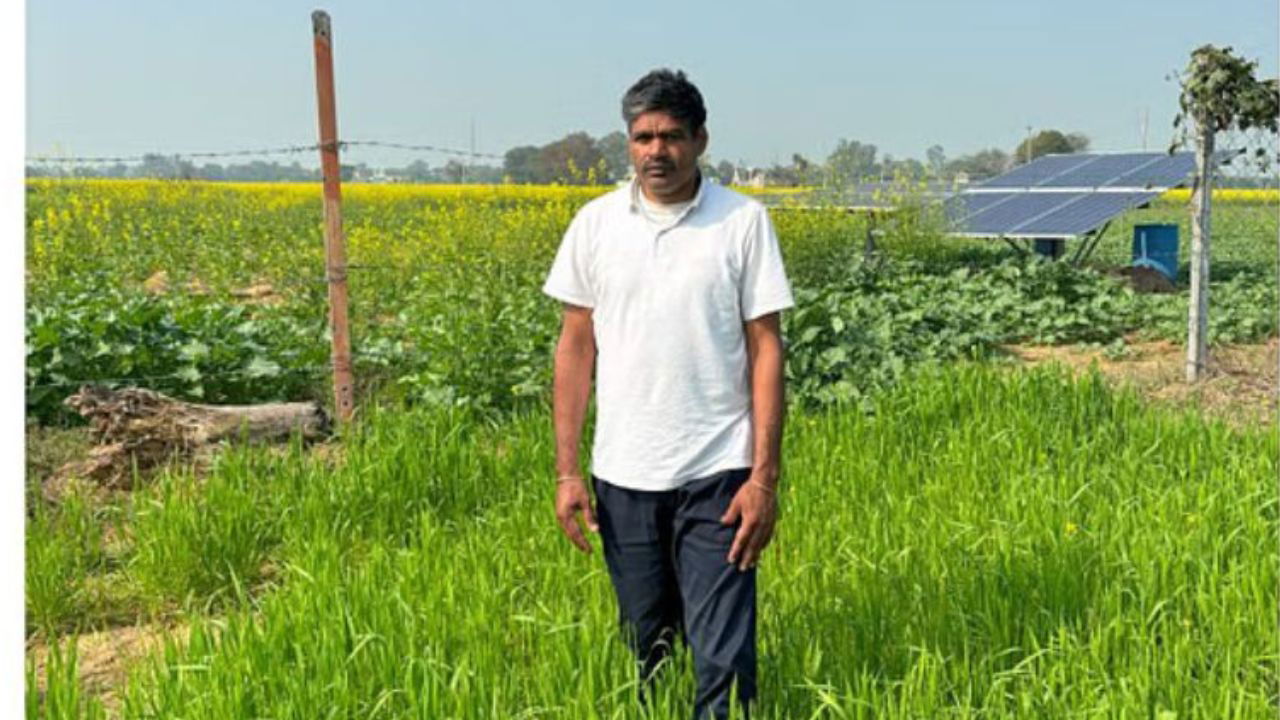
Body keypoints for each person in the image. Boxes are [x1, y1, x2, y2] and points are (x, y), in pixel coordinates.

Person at [542, 68, 793, 720]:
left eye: (672, 136)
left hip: (719, 472)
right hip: (624, 473)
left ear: (700, 140)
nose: (657, 151)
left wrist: (764, 476)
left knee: (722, 657)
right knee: (649, 645)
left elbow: (767, 349)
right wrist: (567, 471)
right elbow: (574, 348)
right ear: (628, 142)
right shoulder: (595, 225)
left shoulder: (743, 222)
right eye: (643, 137)